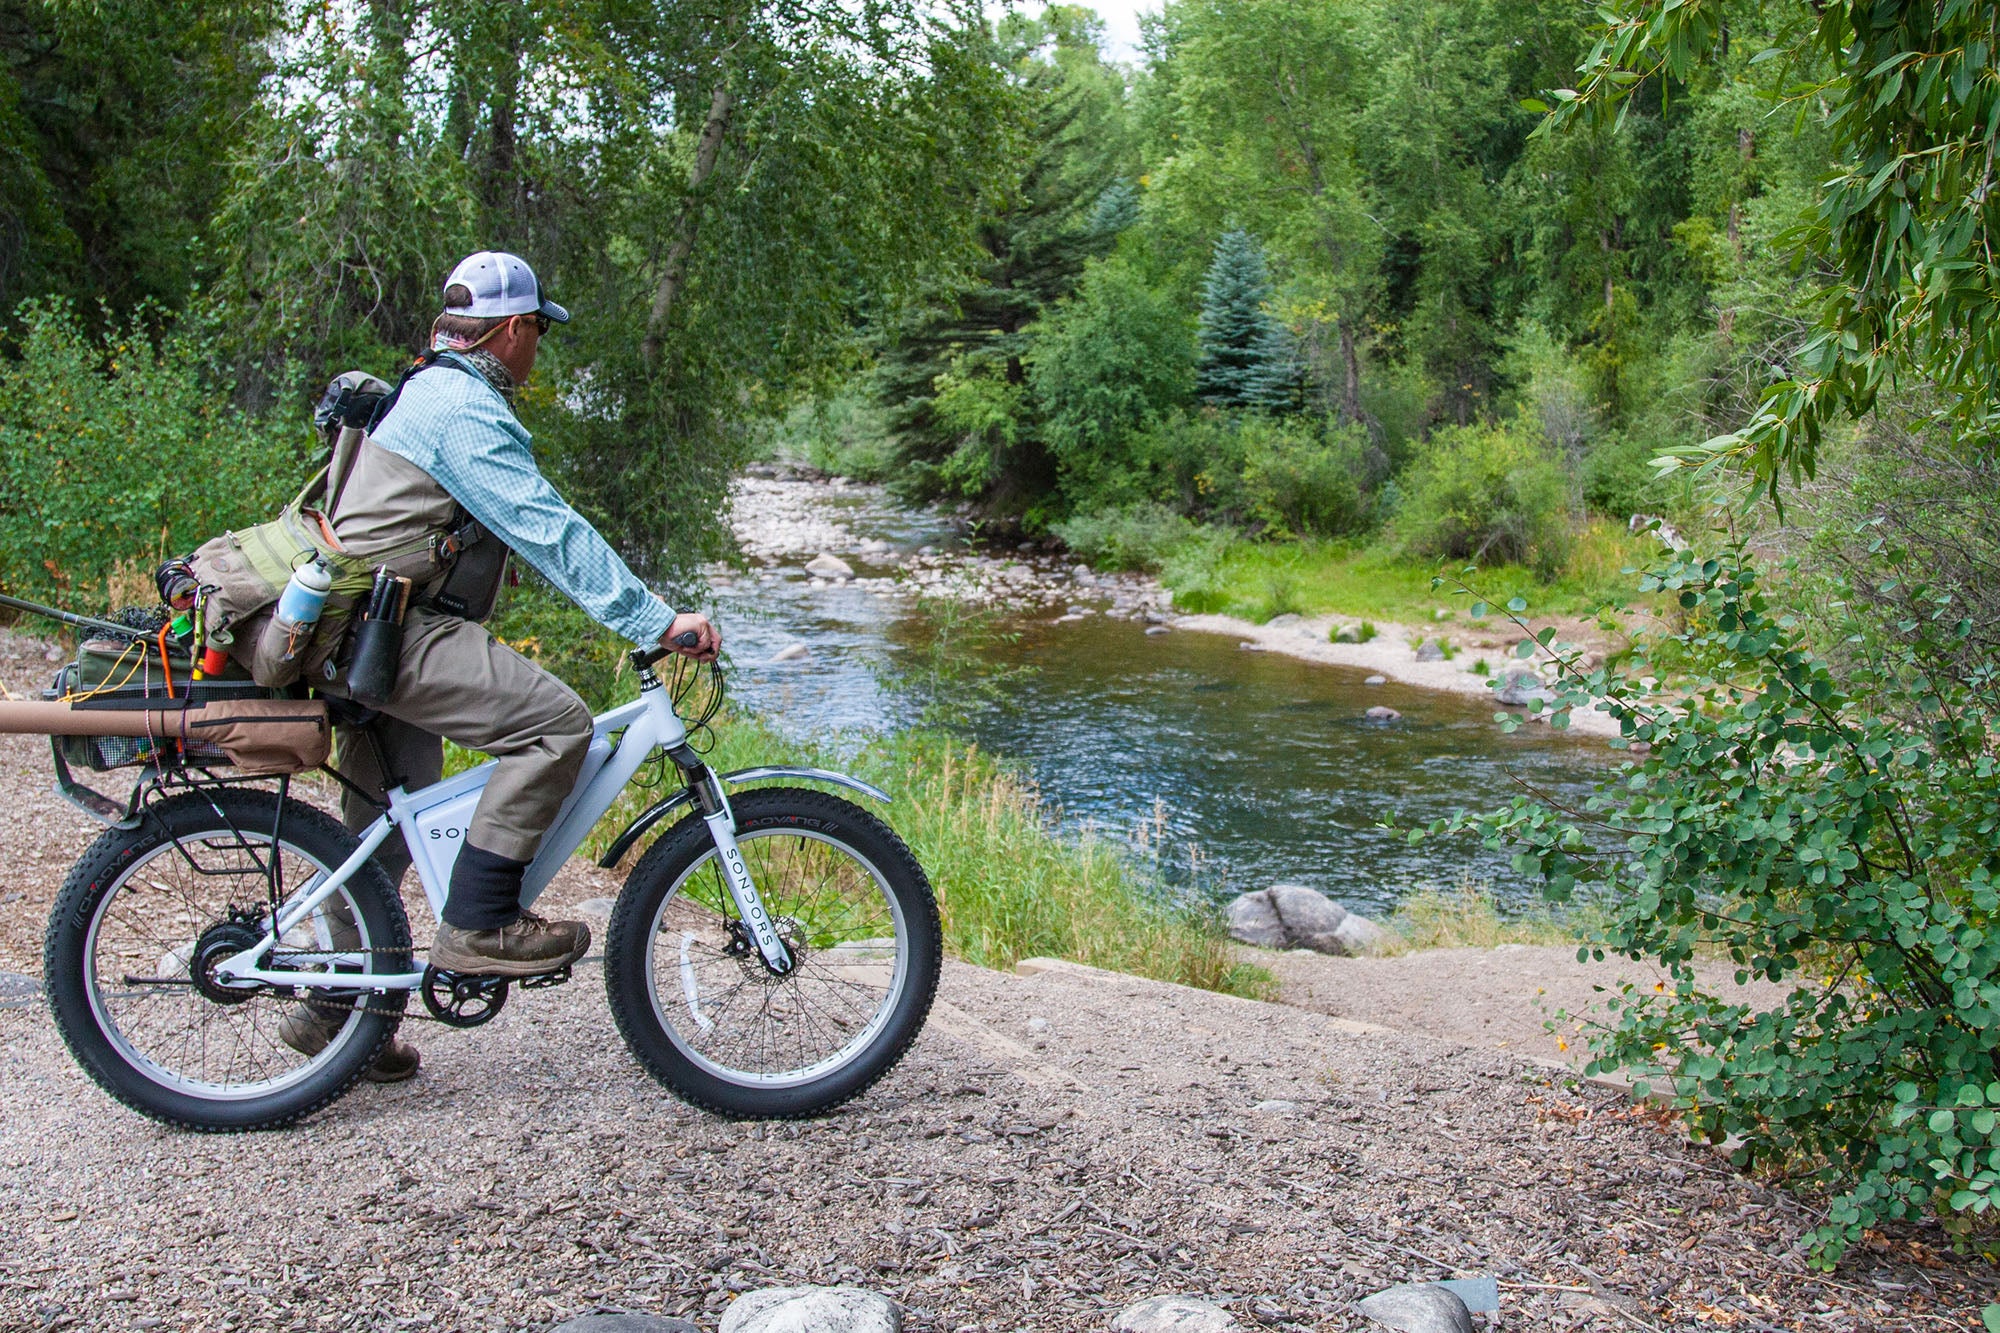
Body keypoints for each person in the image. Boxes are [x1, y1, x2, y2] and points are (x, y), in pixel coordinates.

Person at [265, 251, 718, 1078]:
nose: (538, 347)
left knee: (383, 830)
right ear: (512, 330)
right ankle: (479, 926)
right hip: (390, 633)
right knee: (558, 726)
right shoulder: (461, 408)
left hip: (361, 631)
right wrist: (654, 621)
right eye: (538, 331)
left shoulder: (427, 387)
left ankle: (337, 1017)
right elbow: (549, 528)